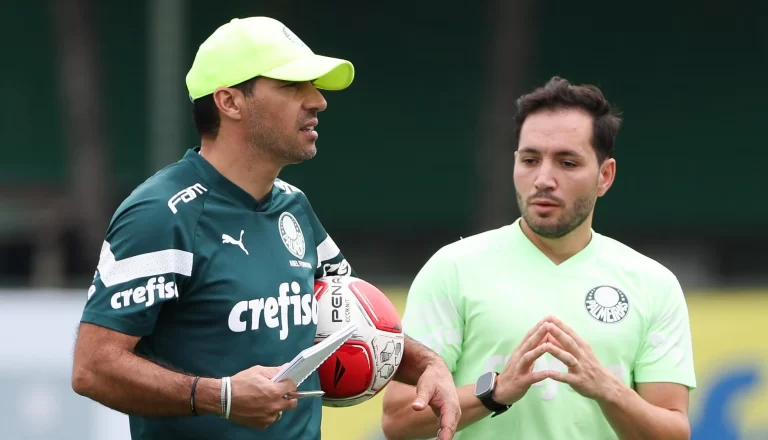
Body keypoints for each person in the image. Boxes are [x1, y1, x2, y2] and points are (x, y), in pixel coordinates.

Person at [71, 16, 460, 440]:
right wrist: (219, 396)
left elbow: (347, 321)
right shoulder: (161, 213)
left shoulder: (294, 205)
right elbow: (94, 368)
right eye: (293, 86)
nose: (317, 101)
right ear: (230, 102)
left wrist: (426, 364)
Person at [381, 76, 696, 440]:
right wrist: (494, 392)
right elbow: (398, 420)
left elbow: (674, 432)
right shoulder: (453, 269)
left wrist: (608, 389)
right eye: (530, 160)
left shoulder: (653, 284)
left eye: (567, 162)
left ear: (605, 176)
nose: (544, 178)